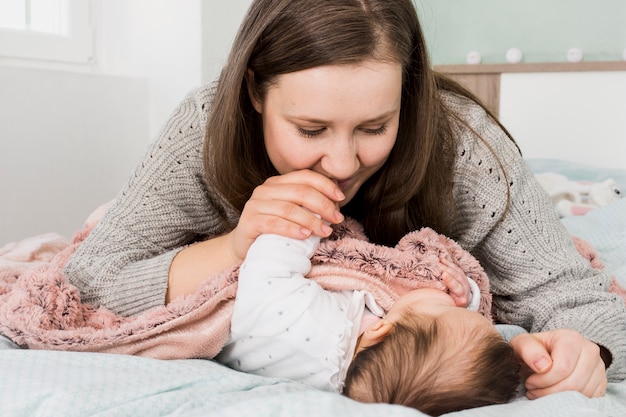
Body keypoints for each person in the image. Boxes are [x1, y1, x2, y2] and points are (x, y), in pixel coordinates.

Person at [64, 0, 624, 403]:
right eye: (310, 130)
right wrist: (238, 244)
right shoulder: (205, 127)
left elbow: (578, 302)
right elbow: (87, 280)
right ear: (255, 91)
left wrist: (587, 354)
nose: (342, 162)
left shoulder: (467, 153)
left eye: (374, 127)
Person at [216, 231, 520, 416]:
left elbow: (265, 271)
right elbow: (454, 333)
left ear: (379, 329)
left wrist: (304, 220)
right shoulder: (357, 376)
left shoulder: (309, 325)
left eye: (449, 306)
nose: (451, 298)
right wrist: (468, 297)